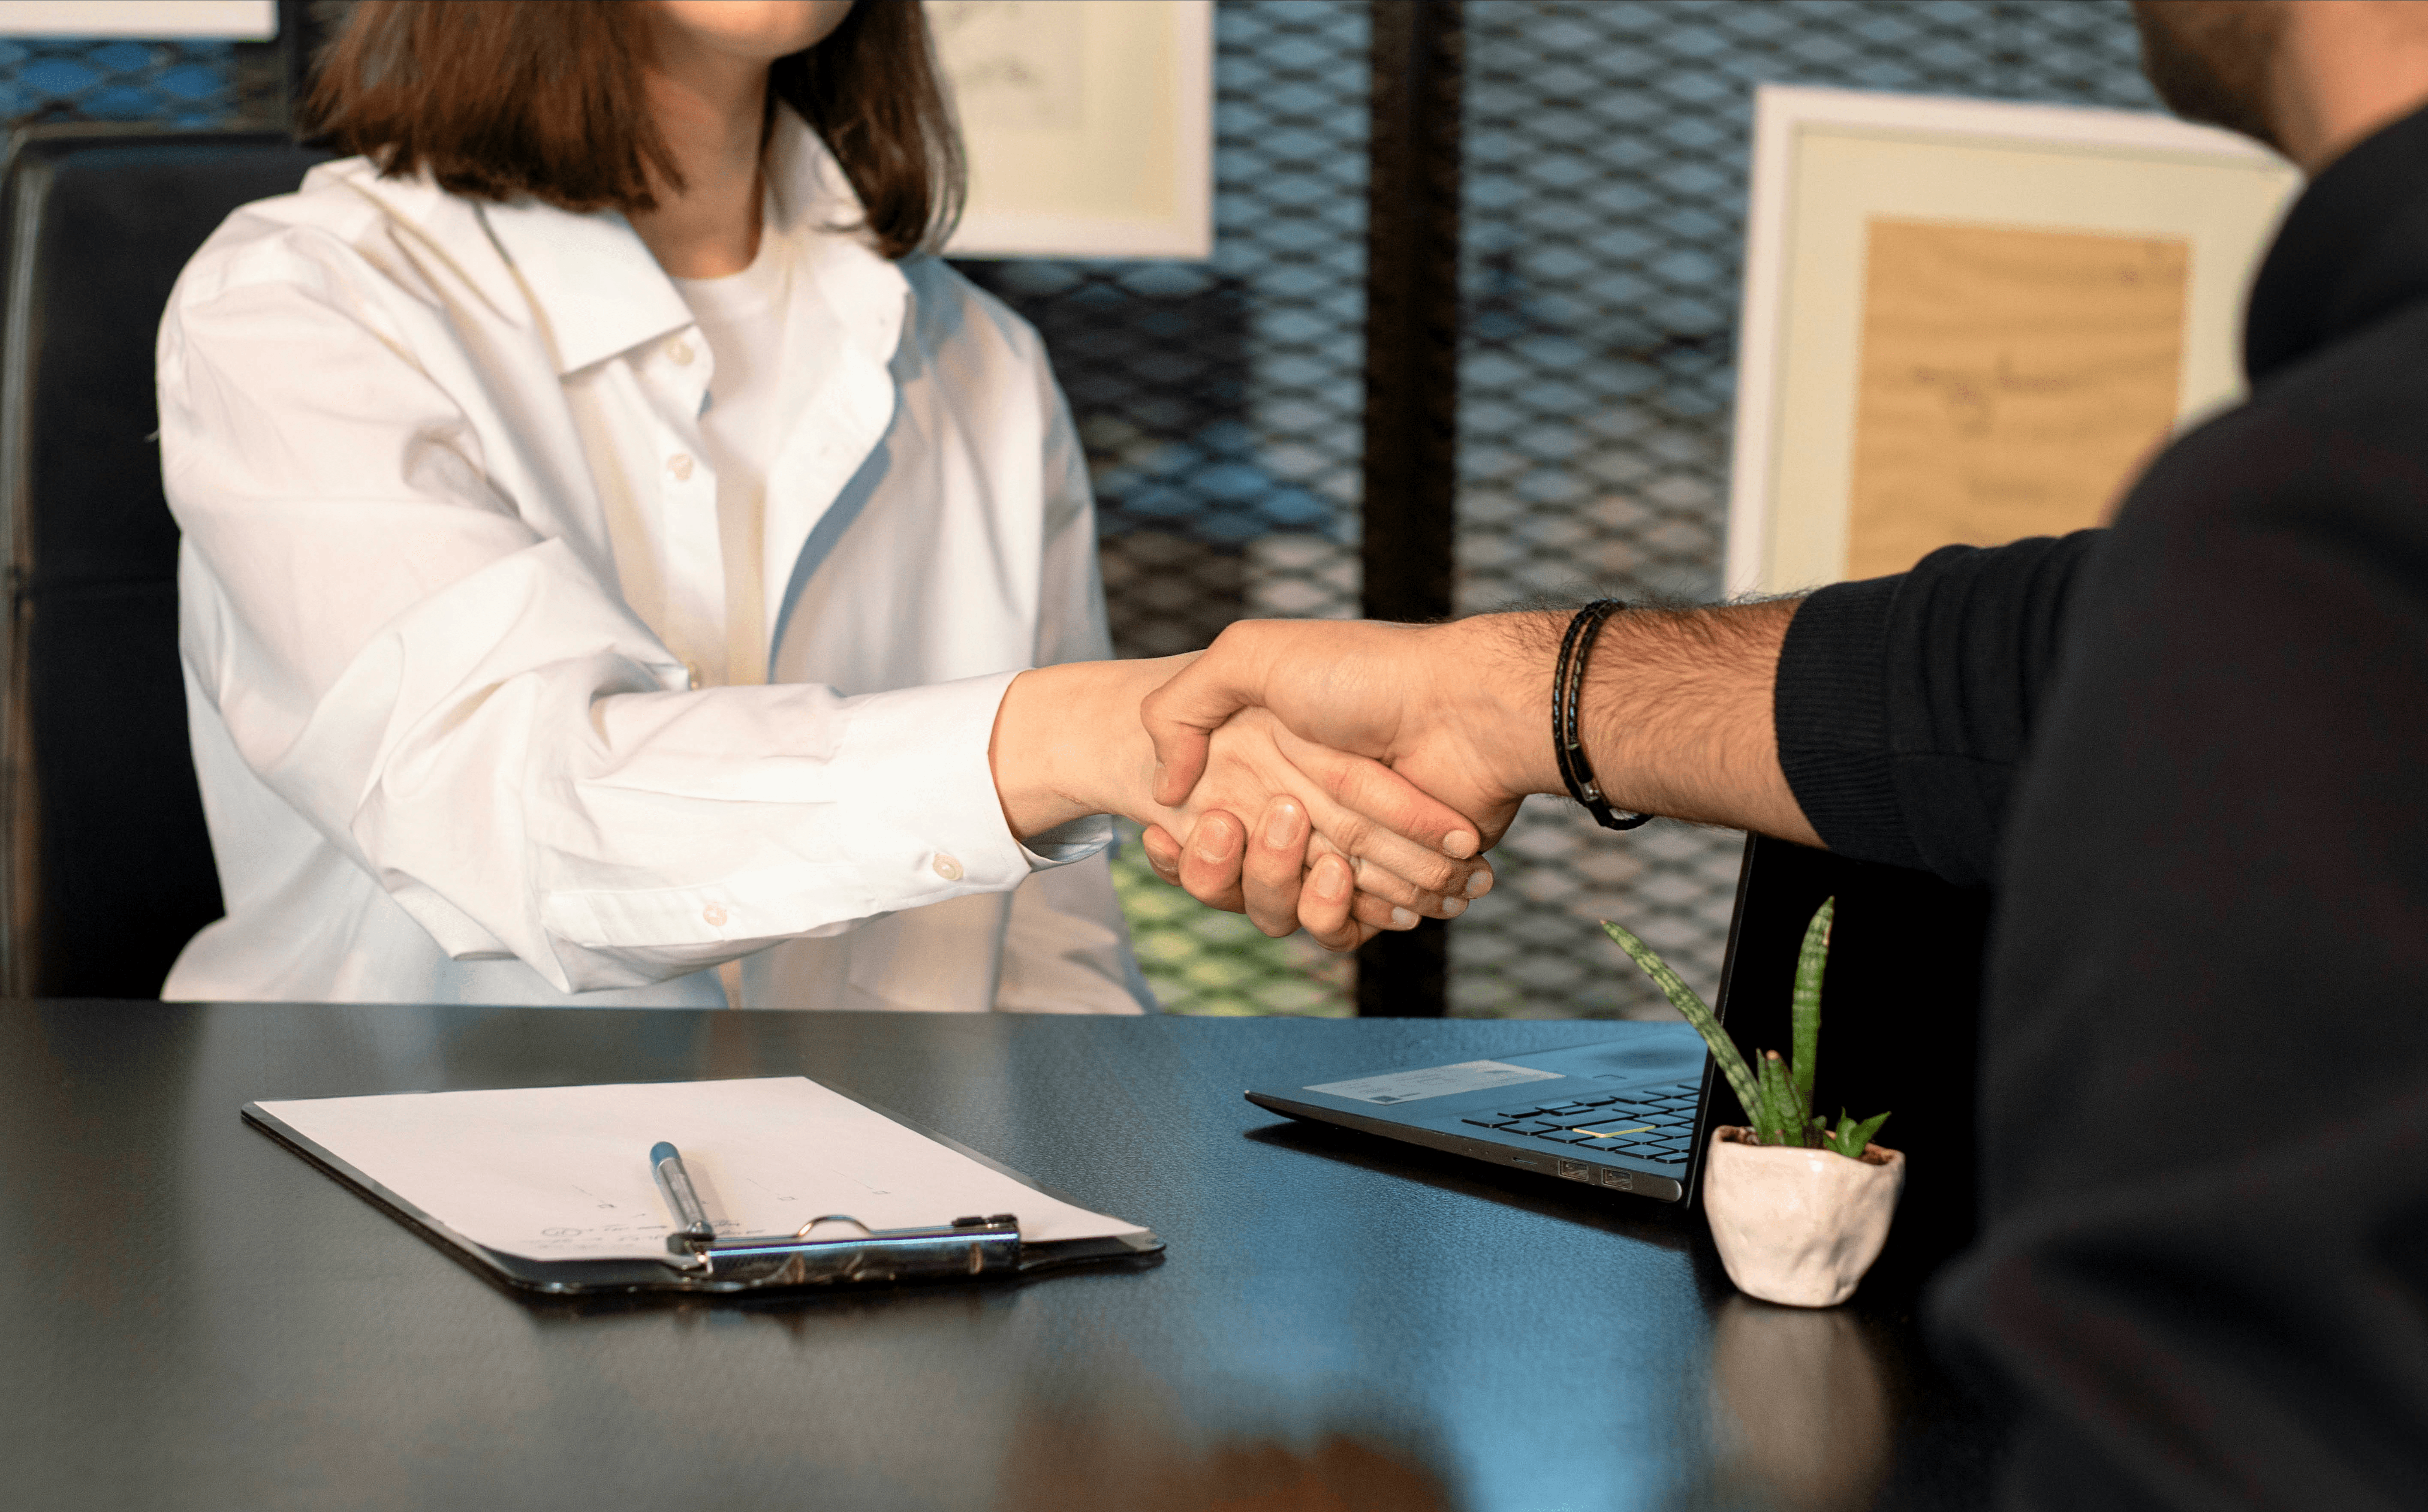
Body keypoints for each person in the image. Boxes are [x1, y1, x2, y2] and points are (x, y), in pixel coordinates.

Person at [1143, 2, 2428, 1505]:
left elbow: (2206, 1422)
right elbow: (2047, 667)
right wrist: (1493, 695)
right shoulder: (2314, 518)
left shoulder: (2327, 510)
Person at [157, 0, 1488, 1011]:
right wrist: (1074, 735)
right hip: (391, 1240)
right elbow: (523, 814)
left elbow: (1053, 963)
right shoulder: (297, 305)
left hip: (891, 1257)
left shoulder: (981, 362)